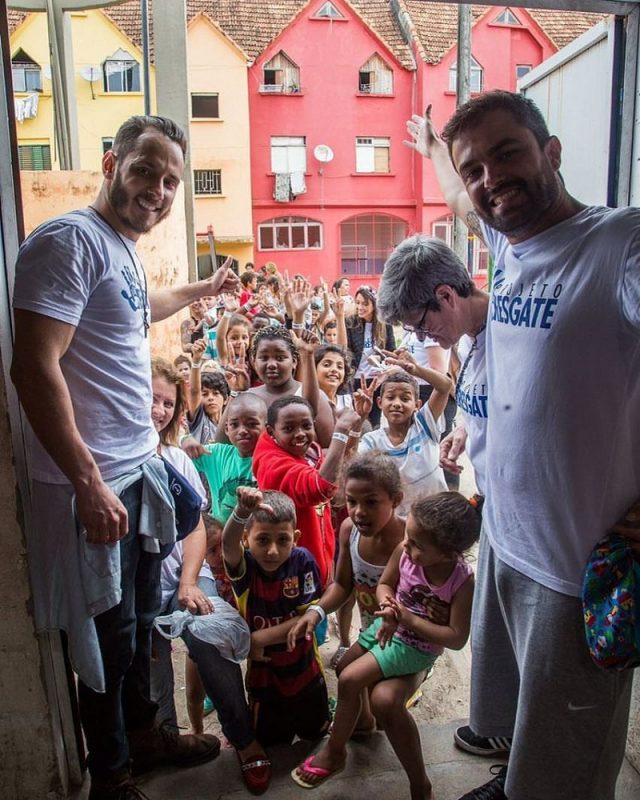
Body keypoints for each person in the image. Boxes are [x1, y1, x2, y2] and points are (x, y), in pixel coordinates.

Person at [402, 91, 640, 800]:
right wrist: (432, 155)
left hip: (576, 568)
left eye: (508, 153)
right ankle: (514, 782)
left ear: (553, 152)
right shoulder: (508, 243)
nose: (489, 178)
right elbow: (464, 198)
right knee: (525, 725)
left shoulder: (619, 244)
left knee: (569, 754)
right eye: (475, 167)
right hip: (507, 540)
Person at [11, 114, 239, 800]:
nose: (159, 190)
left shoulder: (120, 248)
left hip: (137, 474)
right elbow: (33, 368)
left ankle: (147, 738)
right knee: (106, 646)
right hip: (97, 482)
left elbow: (135, 312)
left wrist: (202, 290)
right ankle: (111, 777)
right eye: (146, 170)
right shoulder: (68, 241)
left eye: (171, 179)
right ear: (111, 163)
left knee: (142, 631)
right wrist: (85, 480)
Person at [291, 492, 481, 799]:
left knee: (351, 679)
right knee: (342, 665)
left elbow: (457, 638)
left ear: (447, 554)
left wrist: (407, 619)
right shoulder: (404, 553)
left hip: (416, 646)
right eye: (409, 537)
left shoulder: (461, 582)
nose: (407, 546)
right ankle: (363, 725)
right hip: (387, 628)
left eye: (418, 544)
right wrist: (389, 608)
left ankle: (335, 752)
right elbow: (385, 584)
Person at [148, 358, 271, 796]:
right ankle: (159, 738)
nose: (159, 410)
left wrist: (187, 581)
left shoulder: (177, 456)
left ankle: (243, 738)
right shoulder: (114, 452)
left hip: (183, 572)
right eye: (151, 399)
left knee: (206, 635)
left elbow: (196, 526)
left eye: (167, 402)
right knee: (148, 660)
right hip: (135, 585)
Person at [222, 487, 332, 747]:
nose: (272, 551)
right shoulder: (245, 568)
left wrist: (257, 638)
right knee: (272, 742)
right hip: (265, 679)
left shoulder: (303, 561)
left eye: (282, 540)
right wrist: (241, 512)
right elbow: (227, 544)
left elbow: (308, 619)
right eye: (262, 540)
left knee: (315, 735)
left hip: (306, 670)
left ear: (295, 538)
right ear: (246, 538)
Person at [288, 450, 405, 674]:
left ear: (396, 500)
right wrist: (317, 611)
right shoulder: (349, 530)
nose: (359, 512)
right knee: (346, 674)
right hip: (371, 634)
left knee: (380, 697)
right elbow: (342, 586)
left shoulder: (410, 541)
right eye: (352, 501)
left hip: (404, 639)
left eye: (371, 502)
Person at [252, 396, 362, 589]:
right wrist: (341, 431)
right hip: (293, 577)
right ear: (271, 432)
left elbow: (340, 462)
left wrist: (355, 424)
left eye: (306, 426)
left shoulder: (309, 451)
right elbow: (322, 487)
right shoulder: (272, 464)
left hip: (319, 563)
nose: (300, 434)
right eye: (289, 429)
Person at [359, 365, 452, 518]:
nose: (397, 403)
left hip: (438, 514)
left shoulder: (425, 425)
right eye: (390, 397)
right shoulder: (372, 440)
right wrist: (360, 419)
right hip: (400, 522)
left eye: (405, 398)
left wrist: (415, 369)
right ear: (379, 402)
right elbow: (351, 463)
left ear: (417, 405)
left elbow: (445, 386)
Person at [338, 285, 396, 428]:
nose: (360, 307)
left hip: (376, 380)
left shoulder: (384, 324)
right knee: (357, 419)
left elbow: (391, 350)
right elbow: (346, 350)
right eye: (357, 303)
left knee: (375, 421)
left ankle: (372, 449)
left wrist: (381, 360)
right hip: (356, 379)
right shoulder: (350, 322)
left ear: (374, 304)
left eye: (365, 303)